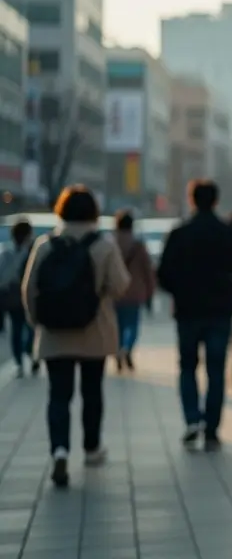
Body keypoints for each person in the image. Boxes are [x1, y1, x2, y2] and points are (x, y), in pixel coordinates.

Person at [22, 186, 131, 488]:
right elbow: (121, 286)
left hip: (55, 334)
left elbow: (29, 291)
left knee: (59, 395)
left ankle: (59, 449)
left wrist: (37, 323)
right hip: (94, 333)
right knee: (92, 392)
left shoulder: (46, 245)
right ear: (94, 213)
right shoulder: (105, 245)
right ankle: (92, 447)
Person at [157, 180, 232, 451]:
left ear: (191, 200)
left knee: (187, 366)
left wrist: (178, 290)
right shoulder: (228, 233)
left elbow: (163, 273)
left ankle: (191, 418)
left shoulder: (179, 233)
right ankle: (211, 426)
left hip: (187, 310)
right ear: (216, 201)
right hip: (220, 310)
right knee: (216, 369)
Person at [111, 210, 156, 372]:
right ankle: (128, 348)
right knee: (132, 324)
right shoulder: (138, 246)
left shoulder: (111, 244)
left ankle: (118, 349)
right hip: (134, 292)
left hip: (114, 292)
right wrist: (151, 290)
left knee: (117, 325)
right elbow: (147, 270)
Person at [0, 219, 36, 376]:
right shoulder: (10, 252)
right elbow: (4, 276)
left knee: (27, 329)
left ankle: (29, 355)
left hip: (22, 296)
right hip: (16, 298)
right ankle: (21, 360)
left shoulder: (32, 250)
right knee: (20, 328)